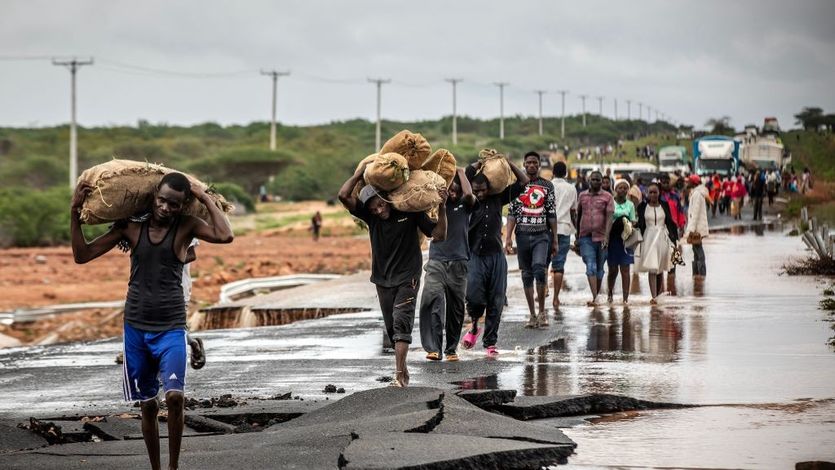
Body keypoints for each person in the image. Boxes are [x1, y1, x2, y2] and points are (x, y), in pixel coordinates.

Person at [71, 173, 234, 470]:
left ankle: (173, 467)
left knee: (174, 397)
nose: (165, 208)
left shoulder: (186, 227)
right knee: (148, 405)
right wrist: (74, 213)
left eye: (174, 204)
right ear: (153, 196)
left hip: (171, 327)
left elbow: (225, 235)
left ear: (183, 204)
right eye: (161, 200)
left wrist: (203, 196)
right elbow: (82, 255)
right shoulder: (131, 230)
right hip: (136, 328)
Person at [338, 161, 448, 387]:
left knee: (401, 323)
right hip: (382, 278)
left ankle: (399, 374)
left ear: (386, 199)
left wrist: (443, 207)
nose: (379, 211)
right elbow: (343, 195)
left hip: (408, 276)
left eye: (380, 205)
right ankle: (403, 367)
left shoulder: (409, 211)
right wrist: (359, 174)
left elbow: (439, 234)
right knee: (392, 327)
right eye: (373, 209)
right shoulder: (371, 217)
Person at [461, 154, 529, 357]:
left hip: (496, 257)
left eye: (482, 190)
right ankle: (474, 327)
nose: (479, 194)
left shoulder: (499, 198)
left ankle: (490, 342)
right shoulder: (470, 202)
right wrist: (482, 163)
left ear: (489, 188)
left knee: (496, 300)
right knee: (474, 299)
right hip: (475, 256)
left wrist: (508, 162)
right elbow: (467, 171)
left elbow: (524, 182)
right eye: (476, 190)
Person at [419, 169, 475, 362]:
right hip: (436, 261)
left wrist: (458, 171)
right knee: (432, 299)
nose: (451, 193)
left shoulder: (464, 205)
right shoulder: (433, 207)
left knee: (456, 307)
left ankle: (451, 349)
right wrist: (440, 202)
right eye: (447, 190)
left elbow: (469, 195)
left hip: (459, 262)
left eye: (454, 190)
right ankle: (433, 348)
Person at [505, 152, 558, 328]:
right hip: (522, 235)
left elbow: (551, 214)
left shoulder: (547, 186)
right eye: (529, 163)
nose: (532, 165)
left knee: (539, 269)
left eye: (535, 162)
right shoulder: (516, 187)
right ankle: (532, 315)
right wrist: (508, 238)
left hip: (541, 235)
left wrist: (555, 240)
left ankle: (542, 312)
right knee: (526, 274)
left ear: (540, 165)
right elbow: (512, 213)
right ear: (524, 164)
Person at [574, 171, 614, 306]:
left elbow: (609, 218)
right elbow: (578, 215)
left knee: (600, 269)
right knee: (590, 266)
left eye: (598, 180)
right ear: (589, 180)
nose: (596, 182)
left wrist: (607, 237)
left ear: (602, 182)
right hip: (586, 237)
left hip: (602, 237)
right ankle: (595, 297)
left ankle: (596, 296)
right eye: (594, 180)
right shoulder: (582, 196)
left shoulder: (607, 197)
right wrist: (577, 235)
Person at [635, 183, 679, 304]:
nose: (653, 194)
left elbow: (670, 222)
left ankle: (658, 295)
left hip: (662, 239)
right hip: (648, 238)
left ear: (659, 193)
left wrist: (674, 239)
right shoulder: (642, 207)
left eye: (655, 192)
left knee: (659, 268)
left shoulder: (664, 205)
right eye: (651, 192)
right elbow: (640, 223)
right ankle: (653, 297)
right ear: (647, 194)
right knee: (652, 268)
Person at [549, 161, 578, 310]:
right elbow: (574, 212)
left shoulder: (547, 186)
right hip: (565, 229)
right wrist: (577, 232)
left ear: (552, 172)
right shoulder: (571, 188)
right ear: (566, 173)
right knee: (559, 265)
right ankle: (556, 298)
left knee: (543, 262)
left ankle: (542, 291)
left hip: (547, 229)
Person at [606, 179, 637, 304]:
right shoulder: (610, 202)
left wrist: (629, 225)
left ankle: (625, 299)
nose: (623, 190)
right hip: (613, 239)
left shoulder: (630, 205)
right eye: (620, 188)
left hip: (626, 240)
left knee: (625, 269)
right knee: (613, 270)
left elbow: (634, 221)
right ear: (615, 189)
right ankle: (610, 292)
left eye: (625, 188)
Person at [659, 173, 685, 295]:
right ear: (660, 182)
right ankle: (660, 288)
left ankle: (671, 284)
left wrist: (682, 226)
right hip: (660, 229)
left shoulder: (675, 196)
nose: (665, 183)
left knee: (673, 256)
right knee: (660, 255)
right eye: (663, 181)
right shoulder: (657, 195)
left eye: (667, 181)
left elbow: (680, 211)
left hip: (673, 229)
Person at [683, 174, 709, 281]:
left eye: (689, 181)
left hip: (697, 228)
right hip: (697, 227)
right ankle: (698, 275)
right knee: (696, 250)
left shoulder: (697, 194)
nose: (687, 183)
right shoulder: (696, 193)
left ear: (693, 183)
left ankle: (700, 275)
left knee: (698, 250)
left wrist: (691, 230)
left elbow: (695, 213)